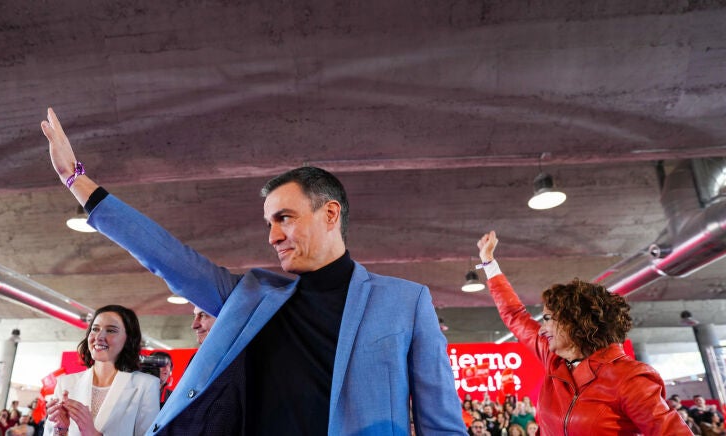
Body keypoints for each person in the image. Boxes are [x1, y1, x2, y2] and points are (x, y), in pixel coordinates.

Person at [41, 108, 467, 435]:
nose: (273, 236)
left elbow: (442, 425)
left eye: (285, 218)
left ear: (330, 213)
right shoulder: (253, 298)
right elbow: (169, 257)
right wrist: (76, 180)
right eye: (268, 223)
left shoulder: (405, 302)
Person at [476, 231, 691, 435]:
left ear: (574, 322)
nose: (542, 328)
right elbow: (515, 315)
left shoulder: (629, 378)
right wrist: (488, 262)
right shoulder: (554, 360)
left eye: (548, 319)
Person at [44, 305, 160, 436]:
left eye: (110, 330)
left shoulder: (146, 385)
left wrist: (94, 434)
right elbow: (50, 432)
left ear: (128, 338)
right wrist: (62, 430)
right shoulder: (65, 383)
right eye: (95, 329)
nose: (99, 336)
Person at [157, 306, 244, 435]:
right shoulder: (197, 358)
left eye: (203, 315)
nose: (194, 325)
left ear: (226, 317)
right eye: (194, 316)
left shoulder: (240, 362)